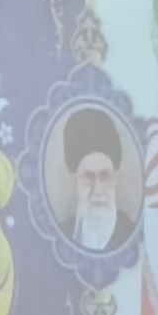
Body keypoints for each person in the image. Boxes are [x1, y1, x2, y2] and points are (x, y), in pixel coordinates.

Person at [59, 106, 136, 253]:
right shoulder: (62, 235)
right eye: (88, 177)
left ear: (115, 179)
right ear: (76, 181)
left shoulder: (132, 237)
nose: (98, 190)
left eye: (105, 176)